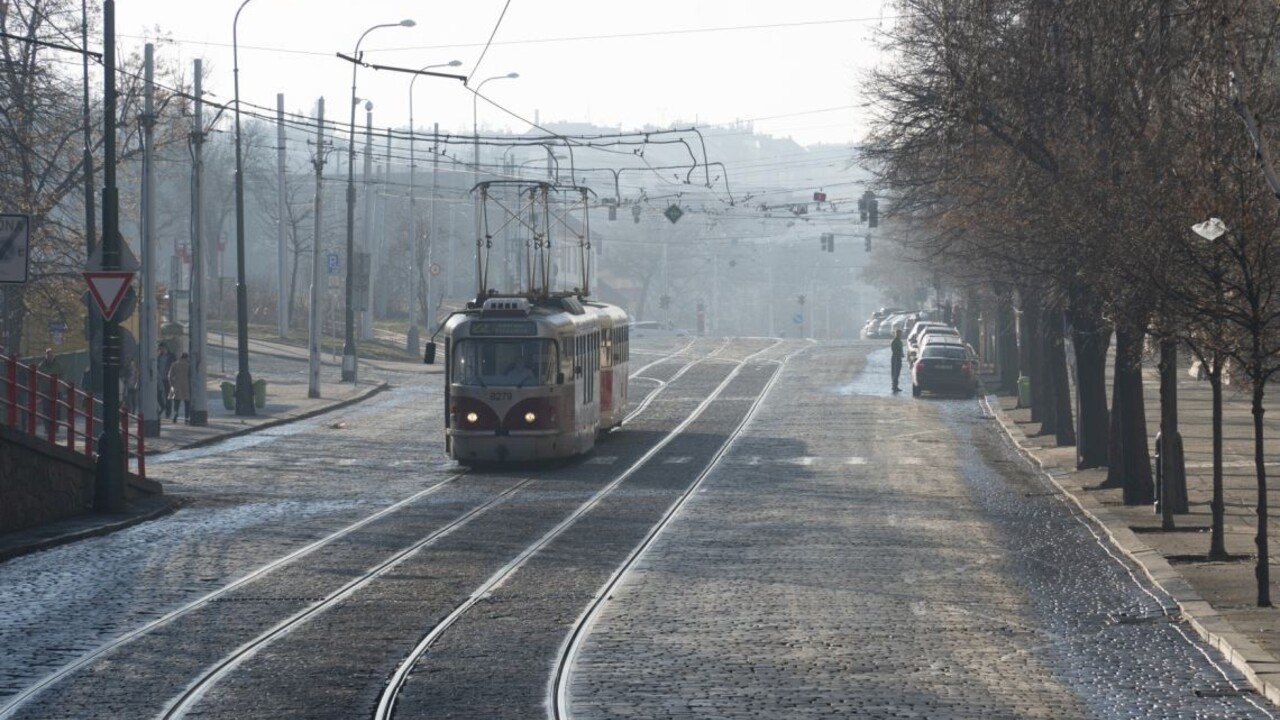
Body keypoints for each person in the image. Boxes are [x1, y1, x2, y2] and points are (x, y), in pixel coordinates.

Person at [168, 351, 191, 423]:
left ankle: (175, 415)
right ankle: (186, 418)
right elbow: (191, 376)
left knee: (176, 402)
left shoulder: (174, 364)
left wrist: (171, 384)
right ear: (186, 358)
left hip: (176, 385)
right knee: (187, 403)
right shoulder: (188, 365)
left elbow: (169, 376)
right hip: (186, 385)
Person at [156, 342, 175, 419]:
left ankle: (168, 413)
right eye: (159, 349)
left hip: (168, 378)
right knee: (158, 395)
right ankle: (163, 406)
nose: (160, 350)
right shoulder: (158, 357)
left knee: (168, 396)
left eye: (161, 348)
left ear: (165, 348)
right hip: (159, 379)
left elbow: (174, 367)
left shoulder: (171, 356)